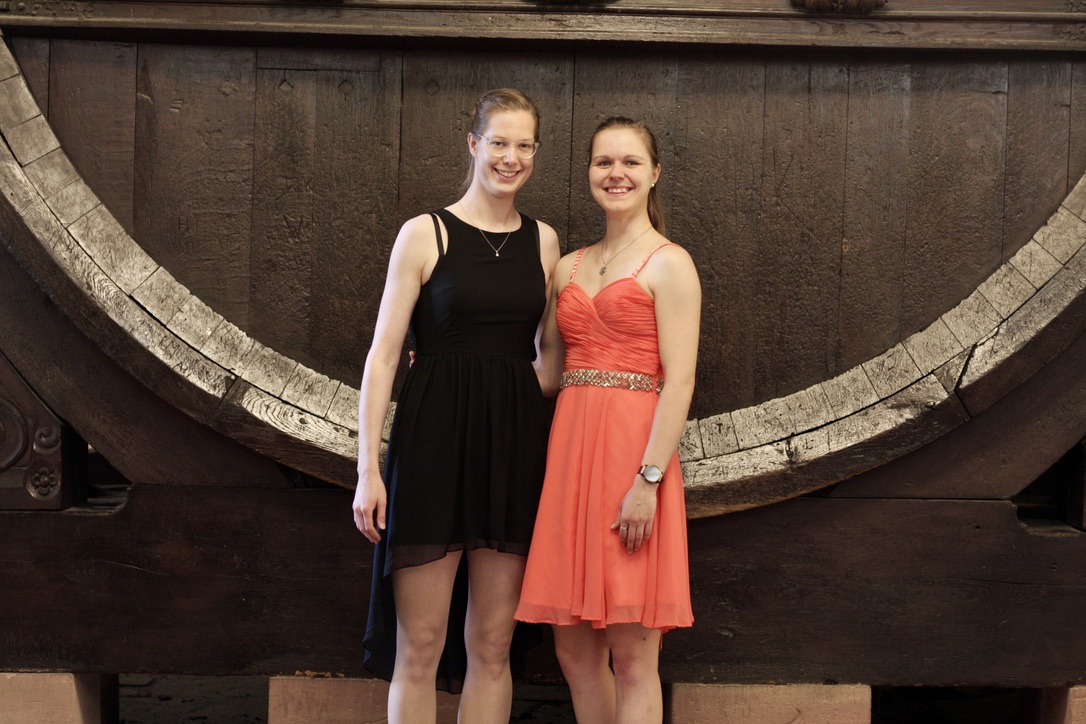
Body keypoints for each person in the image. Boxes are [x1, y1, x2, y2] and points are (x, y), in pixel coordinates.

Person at [352, 88, 560, 724]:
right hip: (432, 444)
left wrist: (505, 397)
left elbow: (551, 361)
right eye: (499, 142)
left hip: (511, 451)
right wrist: (368, 471)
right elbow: (383, 358)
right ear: (473, 144)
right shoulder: (425, 233)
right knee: (419, 645)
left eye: (524, 145)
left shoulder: (545, 241)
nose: (511, 157)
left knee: (493, 647)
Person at [515, 116, 700, 724]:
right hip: (570, 462)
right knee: (573, 652)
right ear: (589, 172)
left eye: (630, 162)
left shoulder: (671, 264)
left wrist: (648, 481)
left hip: (633, 463)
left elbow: (681, 381)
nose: (616, 173)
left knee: (633, 657)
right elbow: (546, 373)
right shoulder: (568, 266)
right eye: (603, 162)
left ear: (655, 174)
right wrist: (452, 359)